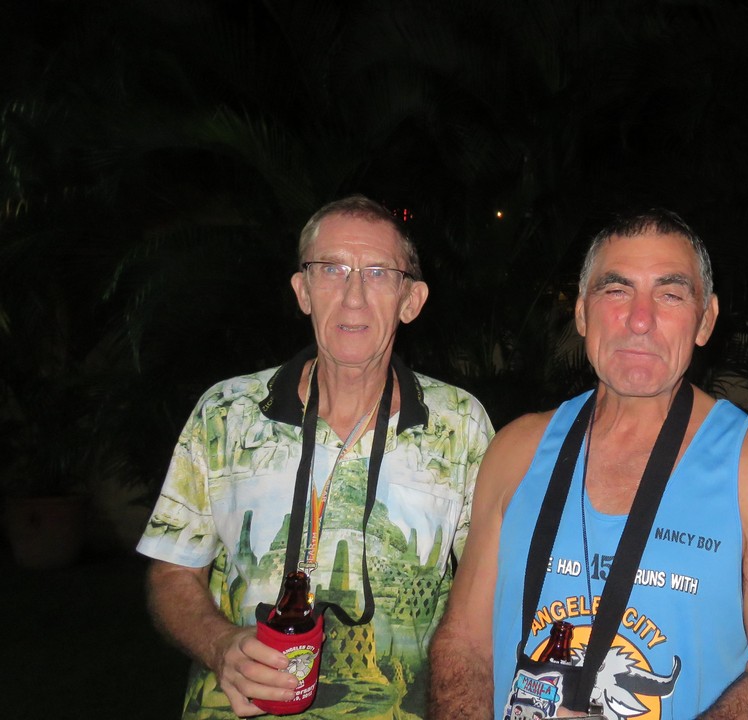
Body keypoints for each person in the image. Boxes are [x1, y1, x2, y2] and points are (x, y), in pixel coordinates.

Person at [428, 210, 748, 719]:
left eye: (670, 295)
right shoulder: (516, 450)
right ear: (582, 313)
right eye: (617, 290)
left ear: (706, 320)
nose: (640, 319)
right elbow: (464, 641)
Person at [138, 196, 493, 718]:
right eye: (331, 269)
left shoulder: (460, 425)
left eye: (378, 273)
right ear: (303, 291)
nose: (353, 297)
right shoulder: (226, 412)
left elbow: (489, 592)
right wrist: (218, 644)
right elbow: (172, 571)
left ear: (411, 300)